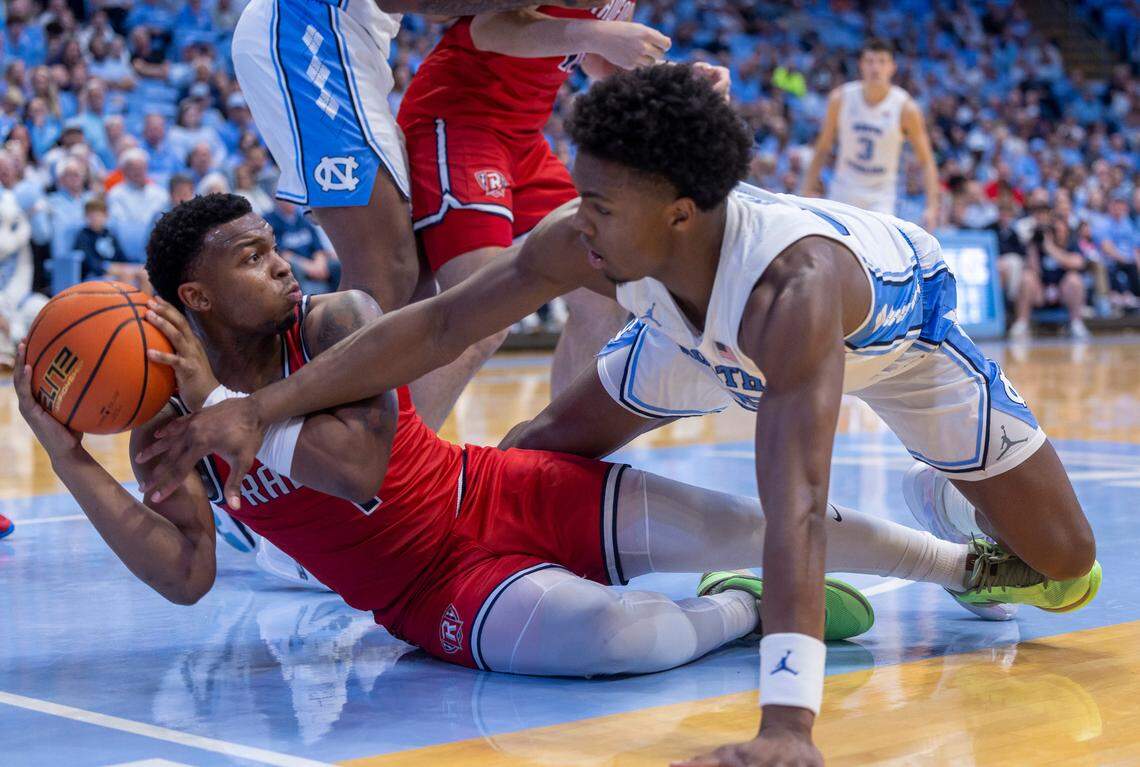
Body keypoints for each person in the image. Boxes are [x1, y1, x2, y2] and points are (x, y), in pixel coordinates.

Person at [144, 68, 1101, 766]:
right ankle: (540, 599)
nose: (572, 212)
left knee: (1063, 569)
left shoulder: (792, 291)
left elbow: (800, 504)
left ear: (681, 211)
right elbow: (439, 322)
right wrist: (256, 409)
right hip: (686, 337)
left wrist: (787, 727)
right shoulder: (596, 241)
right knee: (540, 453)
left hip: (895, 351)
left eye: (596, 198)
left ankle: (950, 507)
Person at [17, 193, 985, 678]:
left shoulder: (339, 320)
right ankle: (743, 610)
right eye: (254, 257)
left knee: (755, 515)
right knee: (620, 637)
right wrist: (70, 460)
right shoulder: (169, 415)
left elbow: (358, 466)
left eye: (277, 244)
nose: (285, 264)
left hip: (498, 487)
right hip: (432, 590)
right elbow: (186, 572)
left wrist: (244, 428)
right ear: (196, 296)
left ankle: (967, 566)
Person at [229, 0, 612, 423]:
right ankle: (303, 444)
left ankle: (374, 456)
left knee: (412, 280)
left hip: (359, 47)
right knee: (387, 272)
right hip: (310, 27)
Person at [395, 3, 693, 426]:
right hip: (460, 119)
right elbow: (490, 26)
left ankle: (555, 455)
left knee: (602, 287)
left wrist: (678, 81)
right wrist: (594, 35)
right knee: (482, 314)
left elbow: (595, 61)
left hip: (522, 138)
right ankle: (389, 475)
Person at [801, 38, 940, 230]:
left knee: (875, 257)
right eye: (870, 61)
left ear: (892, 67)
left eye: (882, 62)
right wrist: (806, 189)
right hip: (843, 190)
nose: (875, 68)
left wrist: (932, 207)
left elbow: (926, 160)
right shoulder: (840, 98)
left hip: (880, 197)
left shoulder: (906, 108)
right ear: (861, 65)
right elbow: (823, 147)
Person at [1009, 216, 1090, 340]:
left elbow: (1077, 263)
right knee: (1027, 277)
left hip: (1062, 293)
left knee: (1075, 279)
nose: (1057, 234)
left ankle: (1076, 324)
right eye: (1054, 230)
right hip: (1041, 292)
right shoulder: (1039, 244)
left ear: (1066, 231)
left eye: (1060, 230)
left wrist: (1051, 248)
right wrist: (1033, 247)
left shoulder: (1072, 244)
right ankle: (1022, 323)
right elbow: (1034, 270)